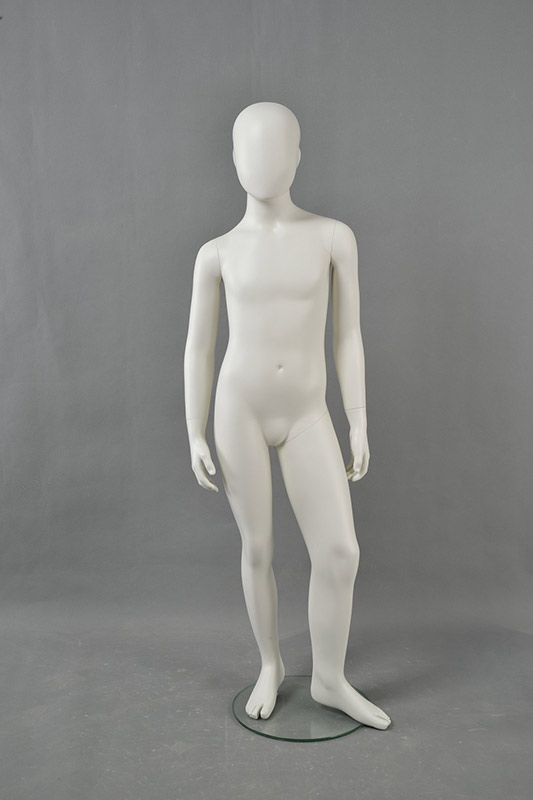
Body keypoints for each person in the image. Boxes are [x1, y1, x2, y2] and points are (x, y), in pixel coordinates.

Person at [184, 102, 391, 730]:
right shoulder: (217, 253)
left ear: (298, 158)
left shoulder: (332, 237)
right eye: (250, 147)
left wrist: (357, 417)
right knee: (258, 548)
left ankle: (329, 678)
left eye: (277, 147)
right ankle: (270, 664)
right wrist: (194, 428)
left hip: (305, 409)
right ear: (233, 158)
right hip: (239, 410)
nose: (263, 159)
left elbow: (348, 335)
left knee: (340, 551)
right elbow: (199, 347)